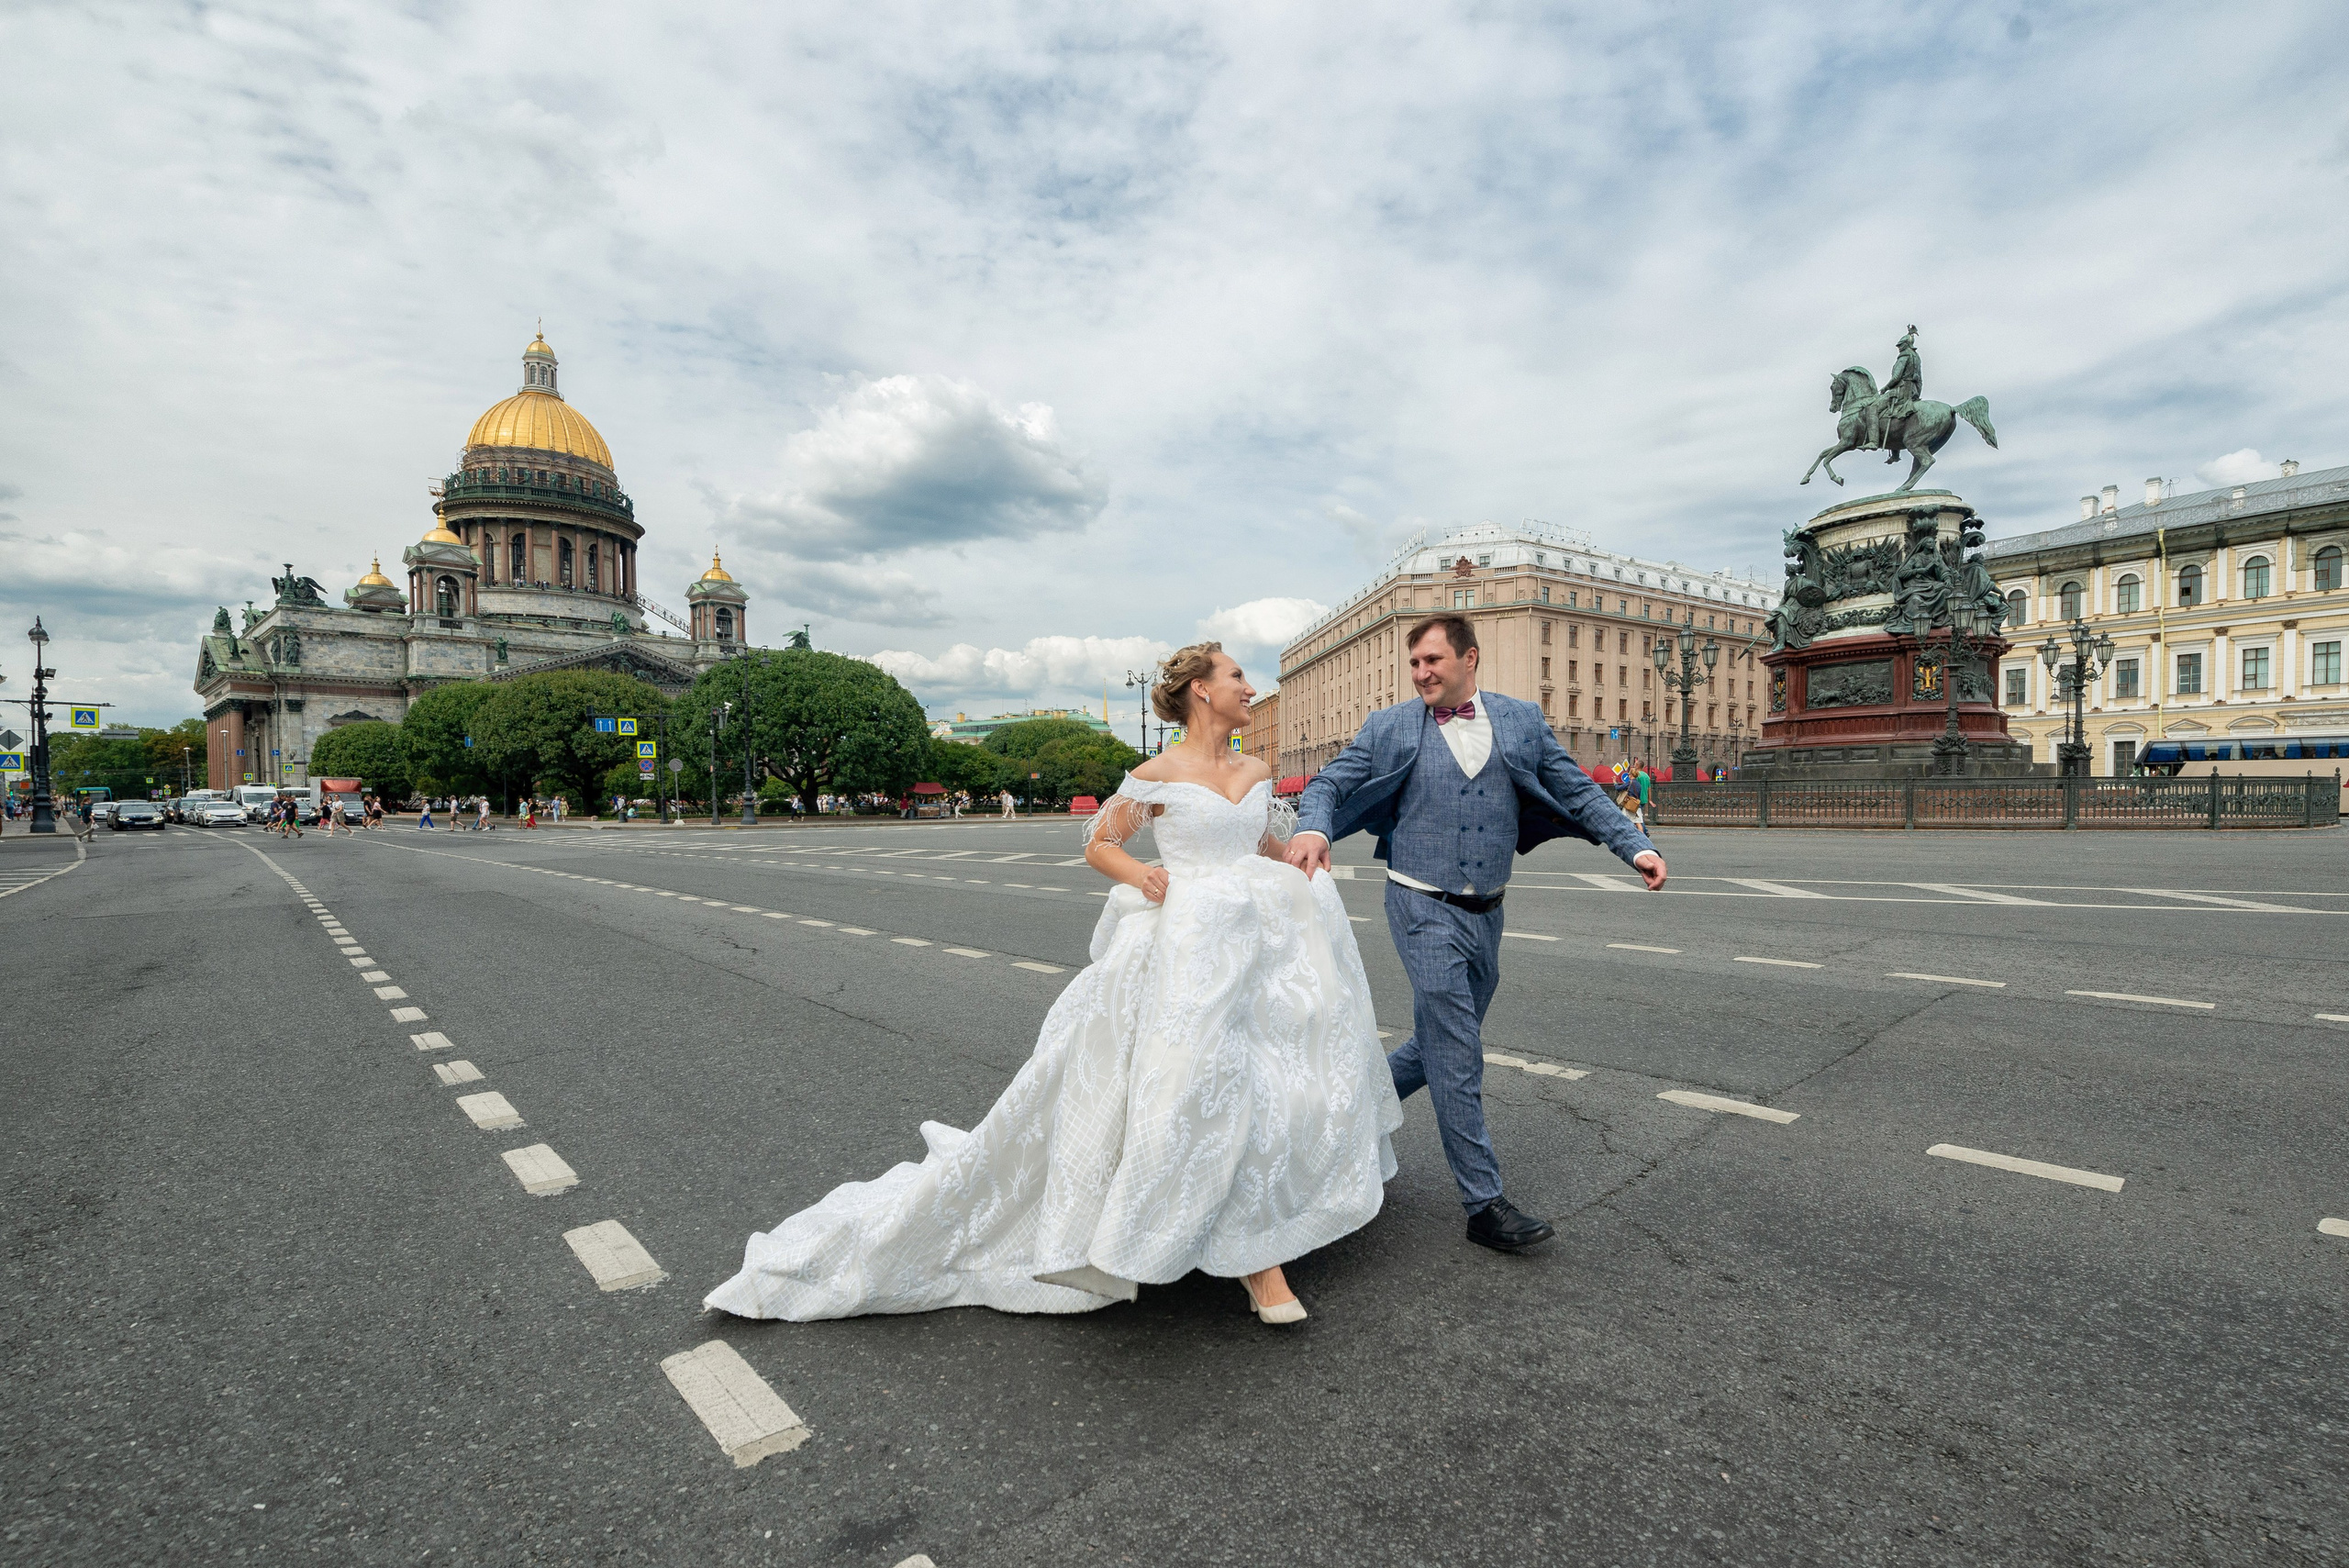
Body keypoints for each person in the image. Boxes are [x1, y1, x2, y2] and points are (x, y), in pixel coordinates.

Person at [707, 641, 1399, 1327]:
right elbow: (1098, 841)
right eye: (1238, 676)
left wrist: (1300, 857)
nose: (1251, 687)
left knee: (1275, 1076)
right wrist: (1141, 874)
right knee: (1195, 1079)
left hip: (1256, 937)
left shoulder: (1254, 766)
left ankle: (1259, 1229)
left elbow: (1259, 846)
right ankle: (1237, 1253)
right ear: (1201, 691)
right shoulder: (1156, 772)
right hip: (1187, 943)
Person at [1286, 614, 1665, 1253]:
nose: (1421, 672)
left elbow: (1579, 791)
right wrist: (1315, 827)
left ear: (1470, 658)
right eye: (1415, 663)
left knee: (1433, 1045)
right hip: (1418, 903)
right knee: (1458, 1052)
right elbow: (1329, 782)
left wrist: (1635, 846)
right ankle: (1484, 1204)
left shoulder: (1520, 720)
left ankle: (1336, 1119)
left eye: (1433, 659)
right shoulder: (1390, 726)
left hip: (1488, 911)